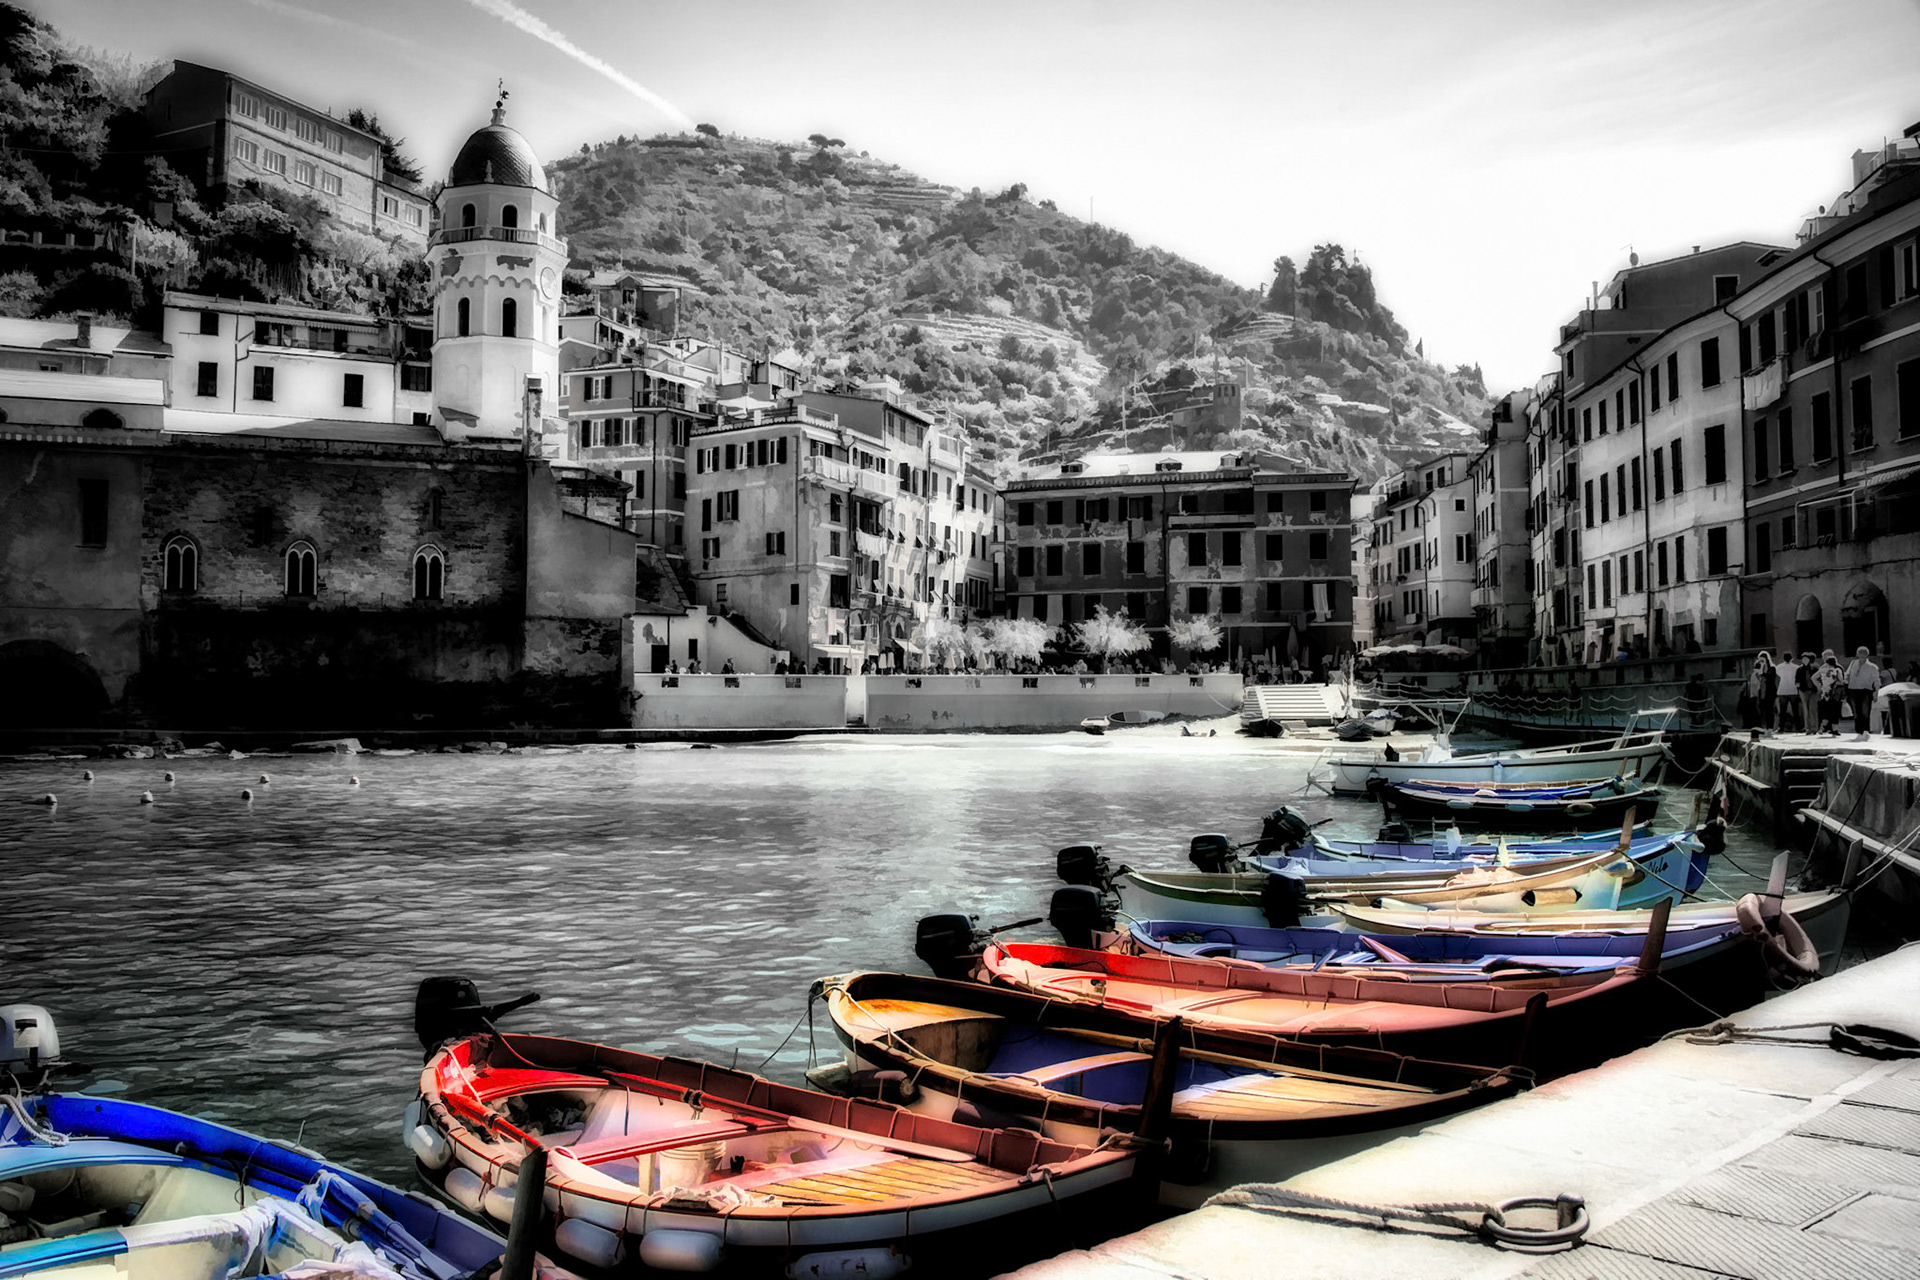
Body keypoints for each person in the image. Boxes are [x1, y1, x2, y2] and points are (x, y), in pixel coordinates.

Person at [1845, 646, 1881, 739]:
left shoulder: (1872, 667)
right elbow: (1847, 674)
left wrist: (1876, 693)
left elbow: (1876, 681)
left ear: (1867, 655)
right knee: (1856, 712)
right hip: (1853, 689)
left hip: (1866, 690)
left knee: (1865, 711)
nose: (1861, 655)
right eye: (1859, 653)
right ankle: (1858, 731)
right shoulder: (1853, 663)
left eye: (1863, 654)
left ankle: (1865, 731)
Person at [1814, 650, 1845, 736]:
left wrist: (1820, 687)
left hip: (1825, 693)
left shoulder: (1823, 668)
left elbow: (1814, 678)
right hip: (1835, 693)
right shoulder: (1837, 669)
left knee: (1826, 712)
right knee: (1834, 711)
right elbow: (1841, 681)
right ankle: (1833, 729)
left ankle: (1823, 728)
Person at [1773, 651, 1802, 733]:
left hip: (1782, 690)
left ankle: (1781, 727)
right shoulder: (1796, 667)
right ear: (1791, 658)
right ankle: (1798, 727)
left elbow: (1777, 677)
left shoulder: (1779, 667)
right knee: (1795, 711)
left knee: (1782, 711)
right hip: (1793, 690)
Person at [1798, 652, 1819, 732]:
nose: (1804, 660)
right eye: (1803, 659)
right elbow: (1797, 680)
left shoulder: (1815, 669)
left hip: (1813, 691)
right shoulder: (1799, 670)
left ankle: (1814, 728)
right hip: (1803, 691)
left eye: (1806, 659)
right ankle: (1807, 728)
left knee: (1812, 709)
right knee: (1806, 710)